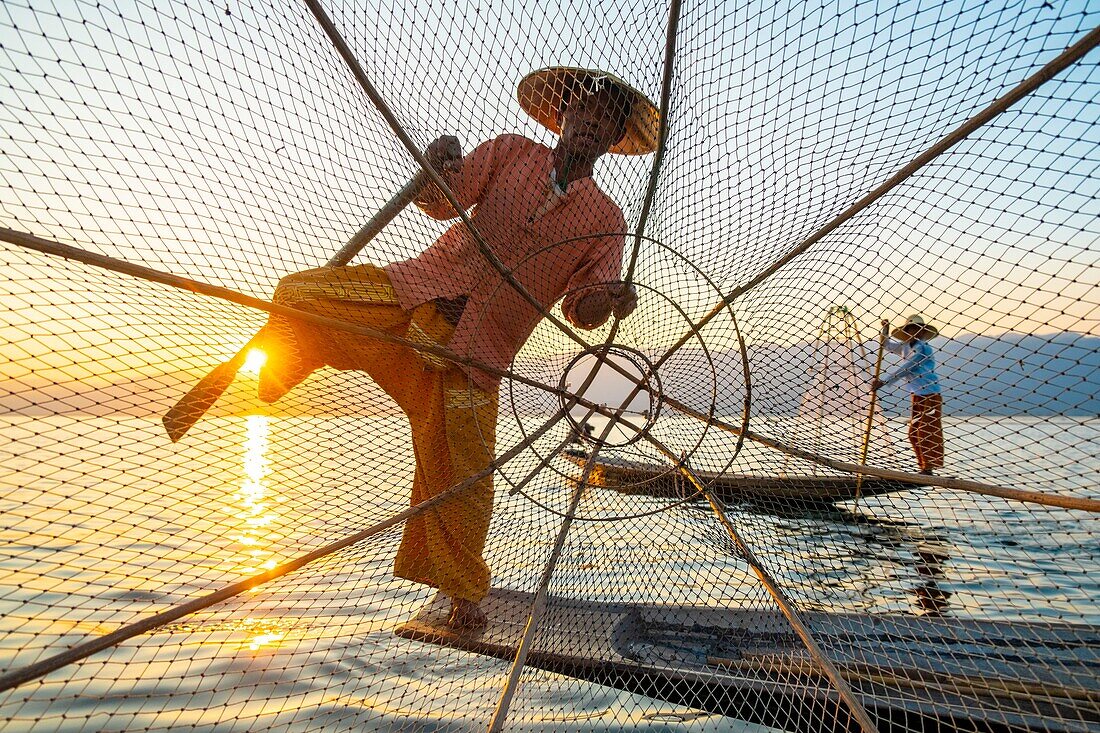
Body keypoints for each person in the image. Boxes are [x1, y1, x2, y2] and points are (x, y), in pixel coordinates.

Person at [255, 68, 659, 629]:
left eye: (606, 122)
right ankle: (288, 363)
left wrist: (614, 300)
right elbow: (445, 200)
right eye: (584, 113)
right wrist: (438, 166)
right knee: (303, 294)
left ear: (614, 140)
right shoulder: (512, 152)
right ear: (562, 117)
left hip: (479, 354)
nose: (591, 127)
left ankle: (465, 599)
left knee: (465, 477)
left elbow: (582, 312)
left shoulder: (607, 220)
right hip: (419, 296)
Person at [872, 315, 944, 475]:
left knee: (925, 430)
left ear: (922, 332)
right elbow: (886, 344)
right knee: (913, 433)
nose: (914, 332)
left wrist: (884, 381)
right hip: (917, 395)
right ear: (907, 332)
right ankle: (924, 466)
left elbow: (908, 367)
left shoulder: (923, 348)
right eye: (911, 329)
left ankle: (928, 468)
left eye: (917, 329)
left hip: (930, 394)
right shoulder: (905, 347)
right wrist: (885, 330)